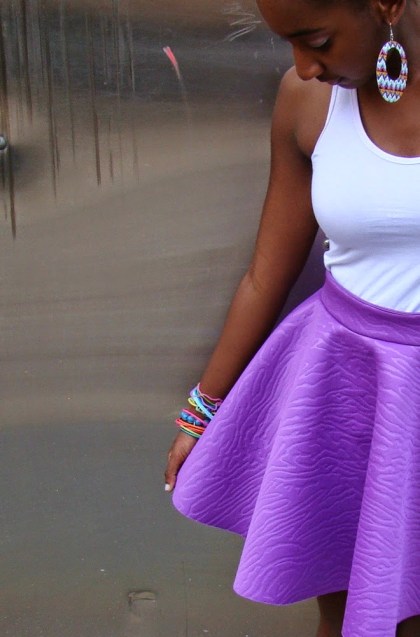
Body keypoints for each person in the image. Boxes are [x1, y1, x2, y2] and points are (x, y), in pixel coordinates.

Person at [164, 0, 420, 635]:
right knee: (348, 610)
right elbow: (265, 275)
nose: (304, 67)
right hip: (347, 390)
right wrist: (202, 409)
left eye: (318, 41)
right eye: (290, 45)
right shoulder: (308, 103)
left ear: (387, 5)